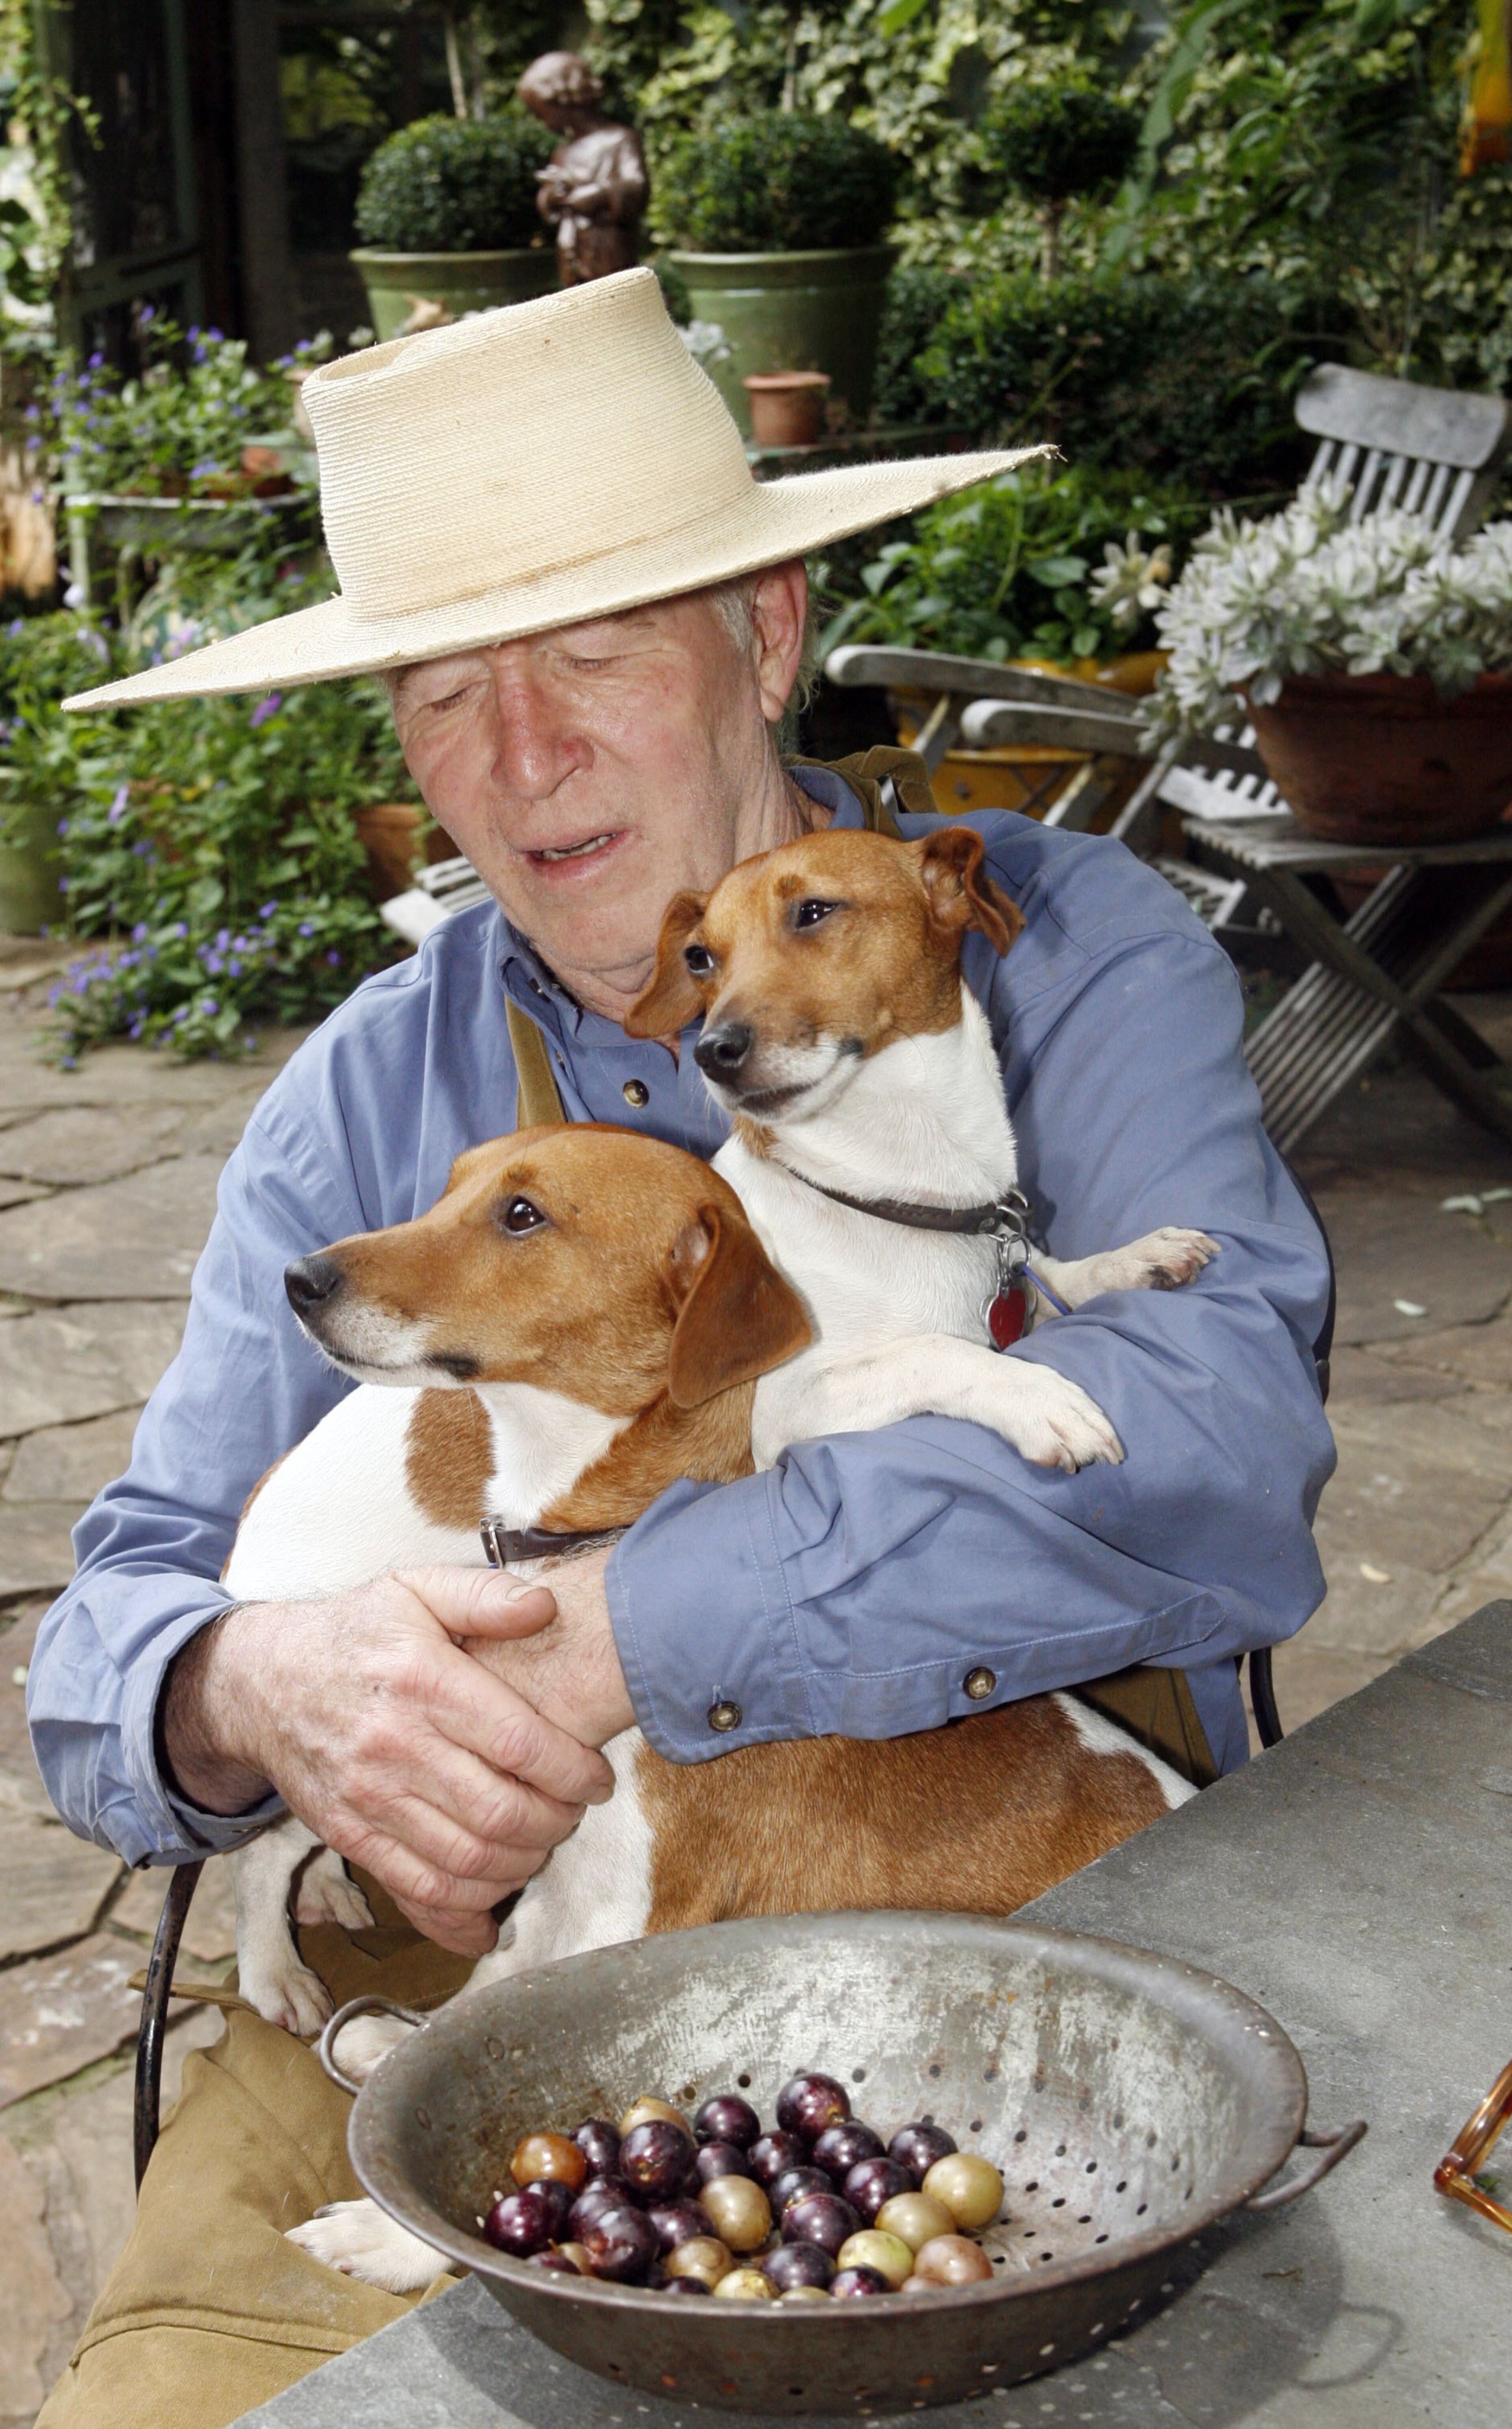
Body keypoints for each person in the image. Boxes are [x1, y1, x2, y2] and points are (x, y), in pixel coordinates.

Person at [29, 271, 1332, 2427]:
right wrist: (250, 1682)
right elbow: (106, 1655)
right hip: (454, 1988)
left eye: (593, 655)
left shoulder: (1042, 953)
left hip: (986, 1930)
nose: (521, 759)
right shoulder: (371, 1101)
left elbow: (1213, 1444)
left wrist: (627, 1625)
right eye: (445, 695)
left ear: (766, 633)